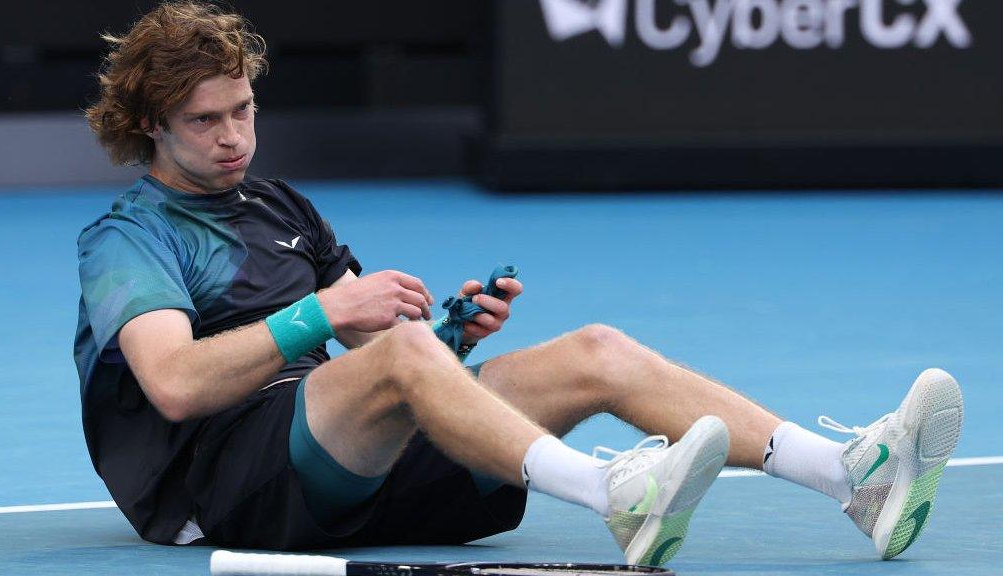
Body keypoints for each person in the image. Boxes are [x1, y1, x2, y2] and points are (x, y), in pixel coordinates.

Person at [74, 0, 964, 565]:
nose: (233, 137)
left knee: (597, 352)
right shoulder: (131, 236)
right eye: (205, 121)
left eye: (245, 111)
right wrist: (327, 310)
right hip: (235, 494)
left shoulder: (279, 204)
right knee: (407, 356)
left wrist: (454, 336)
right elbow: (177, 385)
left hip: (349, 463)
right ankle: (612, 495)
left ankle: (854, 480)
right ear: (151, 125)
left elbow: (380, 357)